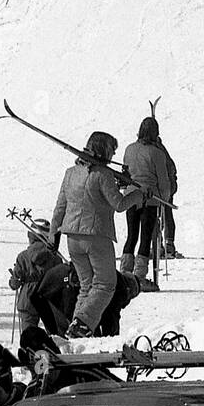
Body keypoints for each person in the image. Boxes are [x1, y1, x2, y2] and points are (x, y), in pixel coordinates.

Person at [49, 130, 145, 338]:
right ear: (104, 149)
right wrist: (137, 195)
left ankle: (76, 325)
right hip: (96, 235)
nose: (112, 156)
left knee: (86, 285)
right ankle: (83, 324)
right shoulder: (103, 174)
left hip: (72, 236)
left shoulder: (70, 173)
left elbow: (60, 207)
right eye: (112, 151)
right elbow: (118, 204)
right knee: (105, 284)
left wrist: (52, 233)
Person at [120, 117, 171, 291]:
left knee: (131, 235)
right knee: (146, 237)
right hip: (151, 198)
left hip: (131, 196)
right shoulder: (156, 153)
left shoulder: (129, 149)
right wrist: (165, 198)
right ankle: (139, 277)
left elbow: (125, 173)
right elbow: (163, 180)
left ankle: (124, 272)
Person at [31, 261, 140, 337]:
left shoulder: (108, 273)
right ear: (130, 289)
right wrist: (112, 342)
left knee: (60, 340)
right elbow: (110, 317)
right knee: (74, 335)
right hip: (66, 291)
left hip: (50, 284)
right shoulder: (120, 286)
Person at [8, 219, 63, 333]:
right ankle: (54, 347)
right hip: (48, 294)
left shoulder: (23, 256)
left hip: (28, 297)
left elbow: (15, 283)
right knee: (53, 329)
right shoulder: (55, 257)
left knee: (28, 330)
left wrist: (14, 281)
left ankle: (28, 348)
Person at [155, 134, 182, 258]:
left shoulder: (156, 152)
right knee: (166, 214)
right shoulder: (163, 152)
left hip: (161, 188)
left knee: (158, 216)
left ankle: (160, 245)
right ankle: (167, 244)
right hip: (166, 187)